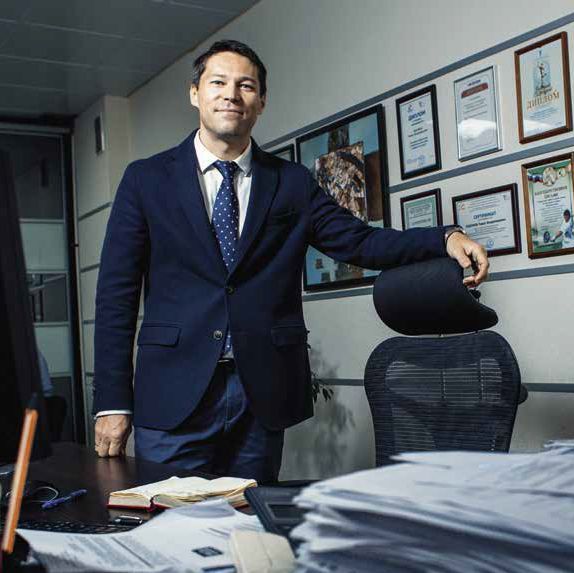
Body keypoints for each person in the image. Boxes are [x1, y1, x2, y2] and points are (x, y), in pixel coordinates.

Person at [92, 40, 489, 482]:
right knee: (169, 521)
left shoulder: (291, 182)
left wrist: (443, 238)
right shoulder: (145, 180)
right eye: (218, 82)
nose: (231, 95)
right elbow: (115, 298)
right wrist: (112, 402)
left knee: (252, 516)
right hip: (173, 393)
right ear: (194, 93)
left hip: (260, 393)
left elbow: (360, 242)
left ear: (261, 102)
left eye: (246, 86)